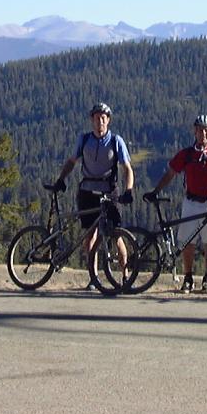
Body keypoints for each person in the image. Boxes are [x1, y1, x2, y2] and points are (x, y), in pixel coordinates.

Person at [144, 114, 207, 294]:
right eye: (200, 130)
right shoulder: (187, 154)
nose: (203, 133)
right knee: (187, 242)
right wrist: (155, 192)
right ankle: (188, 277)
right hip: (191, 202)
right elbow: (170, 174)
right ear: (194, 132)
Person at [53, 102, 134, 291]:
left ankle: (125, 276)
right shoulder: (84, 139)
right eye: (97, 118)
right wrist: (61, 179)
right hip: (87, 191)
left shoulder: (116, 141)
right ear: (92, 120)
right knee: (89, 236)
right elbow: (72, 162)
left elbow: (127, 169)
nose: (100, 121)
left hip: (109, 191)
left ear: (108, 120)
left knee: (116, 235)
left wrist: (128, 190)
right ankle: (93, 278)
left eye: (103, 118)